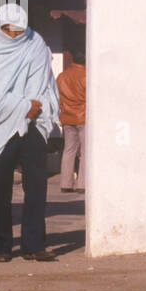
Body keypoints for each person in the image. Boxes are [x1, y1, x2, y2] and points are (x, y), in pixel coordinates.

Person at [0, 3, 60, 262]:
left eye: (18, 30)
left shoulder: (35, 44)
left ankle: (33, 244)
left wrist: (35, 108)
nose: (14, 35)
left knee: (36, 186)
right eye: (8, 29)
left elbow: (43, 83)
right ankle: (1, 247)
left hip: (34, 123)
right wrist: (24, 106)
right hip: (2, 125)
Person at [56, 48, 86, 193]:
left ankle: (65, 184)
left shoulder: (62, 76)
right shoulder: (87, 76)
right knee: (86, 152)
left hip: (67, 116)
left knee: (68, 150)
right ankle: (82, 184)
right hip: (84, 116)